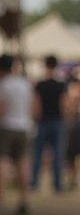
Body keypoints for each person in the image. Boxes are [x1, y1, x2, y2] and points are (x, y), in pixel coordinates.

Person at [0, 52, 33, 215]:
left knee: (1, 162)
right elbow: (33, 107)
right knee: (23, 162)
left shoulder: (2, 85)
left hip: (6, 126)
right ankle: (24, 199)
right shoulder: (24, 84)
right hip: (24, 126)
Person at [31, 54, 67, 193]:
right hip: (57, 120)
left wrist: (36, 117)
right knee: (58, 154)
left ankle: (34, 182)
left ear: (45, 65)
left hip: (43, 121)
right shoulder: (60, 85)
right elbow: (63, 103)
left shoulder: (40, 84)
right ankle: (57, 185)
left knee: (38, 153)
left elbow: (36, 104)